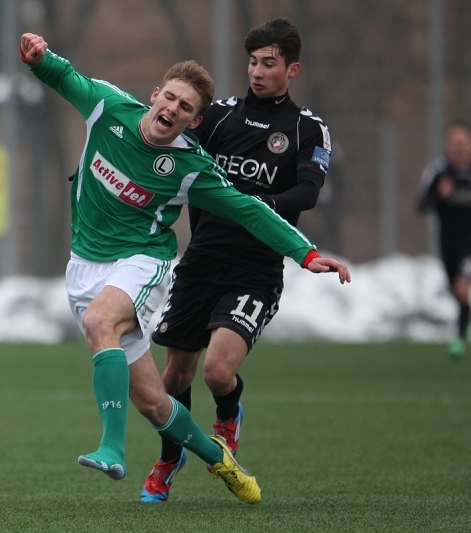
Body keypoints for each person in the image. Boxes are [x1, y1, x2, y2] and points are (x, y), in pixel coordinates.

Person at [20, 32, 350, 504]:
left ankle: (112, 448)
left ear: (193, 122)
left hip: (141, 262)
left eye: (184, 107)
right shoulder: (108, 108)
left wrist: (306, 253)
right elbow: (65, 77)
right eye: (169, 97)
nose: (171, 109)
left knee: (100, 322)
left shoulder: (191, 168)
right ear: (155, 96)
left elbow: (248, 210)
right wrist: (38, 58)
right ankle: (221, 463)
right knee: (156, 401)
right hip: (84, 267)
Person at [141, 17, 334, 503]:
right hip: (202, 258)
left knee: (216, 372)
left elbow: (308, 192)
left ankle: (227, 416)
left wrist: (252, 209)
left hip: (257, 268)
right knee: (173, 377)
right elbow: (177, 159)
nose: (257, 71)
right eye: (252, 62)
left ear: (292, 70)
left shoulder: (307, 128)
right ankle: (170, 457)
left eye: (268, 64)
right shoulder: (220, 116)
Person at [418, 119, 471, 360]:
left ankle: (459, 340)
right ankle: (460, 337)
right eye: (454, 142)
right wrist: (441, 196)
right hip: (449, 244)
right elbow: (422, 205)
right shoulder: (438, 172)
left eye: (462, 141)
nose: (458, 146)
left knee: (464, 287)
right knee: (460, 293)